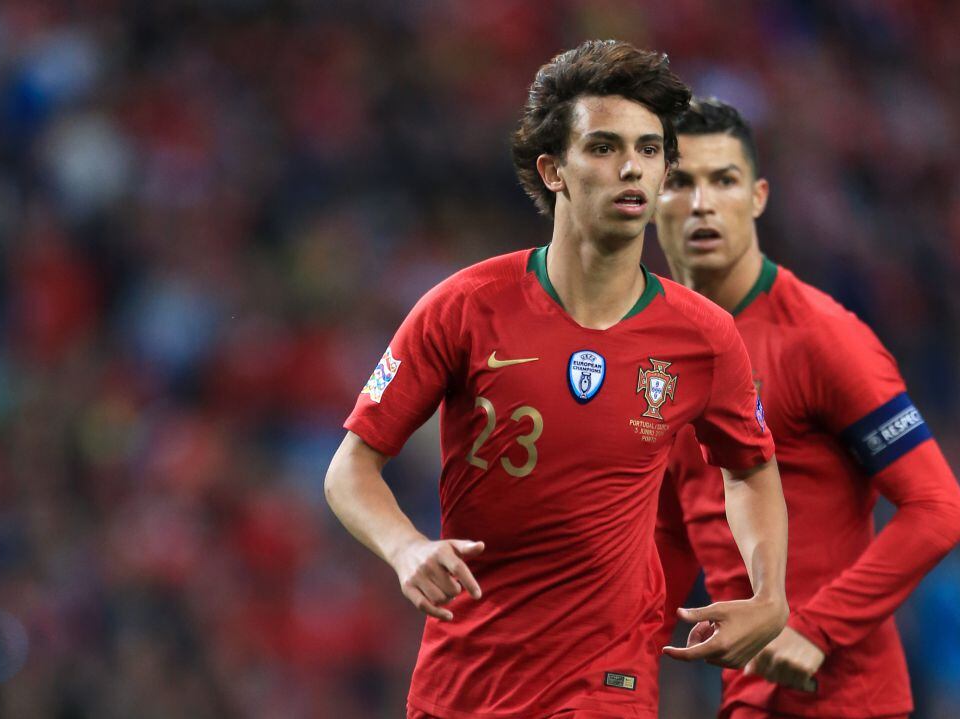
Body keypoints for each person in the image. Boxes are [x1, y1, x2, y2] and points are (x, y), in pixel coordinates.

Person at [324, 42, 790, 719]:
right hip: (464, 682)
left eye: (650, 149)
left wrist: (769, 594)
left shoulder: (704, 337)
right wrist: (406, 548)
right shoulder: (464, 306)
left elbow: (750, 468)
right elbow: (350, 467)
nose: (631, 166)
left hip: (607, 682)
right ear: (554, 170)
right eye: (603, 147)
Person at [653, 98, 960, 719]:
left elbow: (939, 509)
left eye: (724, 181)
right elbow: (672, 533)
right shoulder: (656, 352)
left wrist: (817, 629)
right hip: (744, 699)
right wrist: (617, 671)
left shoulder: (820, 336)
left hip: (847, 701)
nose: (701, 203)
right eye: (679, 182)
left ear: (758, 196)